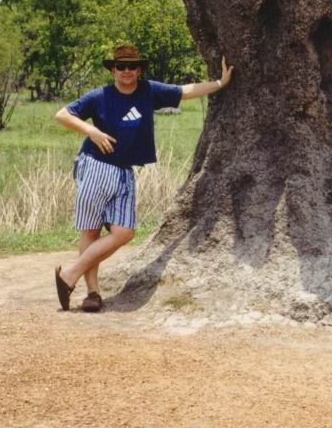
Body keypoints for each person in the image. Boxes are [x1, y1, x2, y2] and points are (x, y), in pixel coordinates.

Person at [54, 43, 233, 312]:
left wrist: (220, 82)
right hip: (95, 165)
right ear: (113, 70)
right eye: (121, 67)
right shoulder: (100, 96)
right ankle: (92, 293)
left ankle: (69, 274)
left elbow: (185, 92)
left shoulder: (149, 91)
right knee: (90, 230)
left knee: (125, 232)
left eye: (132, 67)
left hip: (125, 170)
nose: (126, 71)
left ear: (139, 70)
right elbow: (62, 114)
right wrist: (91, 131)